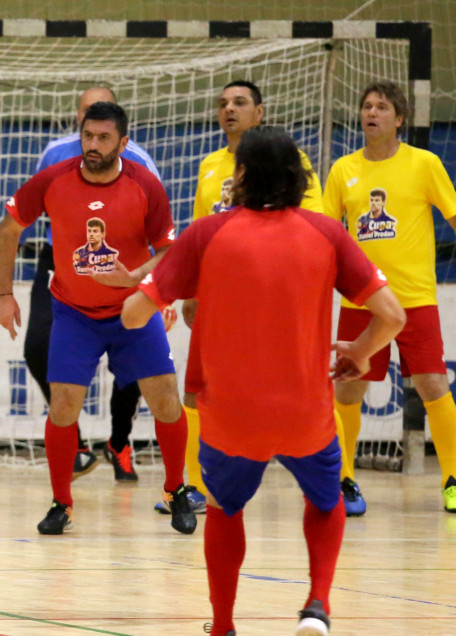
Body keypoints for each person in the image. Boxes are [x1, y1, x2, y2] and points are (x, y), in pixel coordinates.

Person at [123, 126, 406, 636]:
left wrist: (146, 287)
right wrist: (360, 354)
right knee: (326, 502)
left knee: (225, 509)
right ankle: (317, 604)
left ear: (242, 176)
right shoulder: (327, 232)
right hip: (305, 414)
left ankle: (225, 626)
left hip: (232, 417)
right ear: (300, 178)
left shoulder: (207, 235)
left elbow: (132, 314)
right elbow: (392, 315)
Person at [0, 102, 196, 536]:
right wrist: (5, 294)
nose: (93, 145)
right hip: (73, 314)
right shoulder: (53, 178)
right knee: (64, 406)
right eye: (88, 136)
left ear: (123, 143)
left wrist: (137, 277)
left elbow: (168, 250)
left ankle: (175, 489)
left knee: (165, 398)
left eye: (104, 138)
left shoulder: (145, 184)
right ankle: (61, 503)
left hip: (131, 311)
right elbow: (10, 228)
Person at [324, 80, 456, 514]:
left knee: (435, 384)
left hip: (415, 300)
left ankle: (453, 481)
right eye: (366, 106)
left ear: (399, 119)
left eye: (381, 107)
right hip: (361, 302)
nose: (371, 113)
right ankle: (345, 481)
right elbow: (326, 236)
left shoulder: (425, 164)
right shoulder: (343, 169)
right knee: (347, 393)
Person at [170, 79, 327, 517]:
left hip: (272, 298)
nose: (229, 110)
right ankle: (198, 488)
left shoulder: (290, 162)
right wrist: (191, 291)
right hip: (218, 299)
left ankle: (321, 481)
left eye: (239, 102)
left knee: (285, 388)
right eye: (222, 104)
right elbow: (199, 236)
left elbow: (312, 226)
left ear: (260, 112)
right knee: (196, 390)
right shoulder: (208, 165)